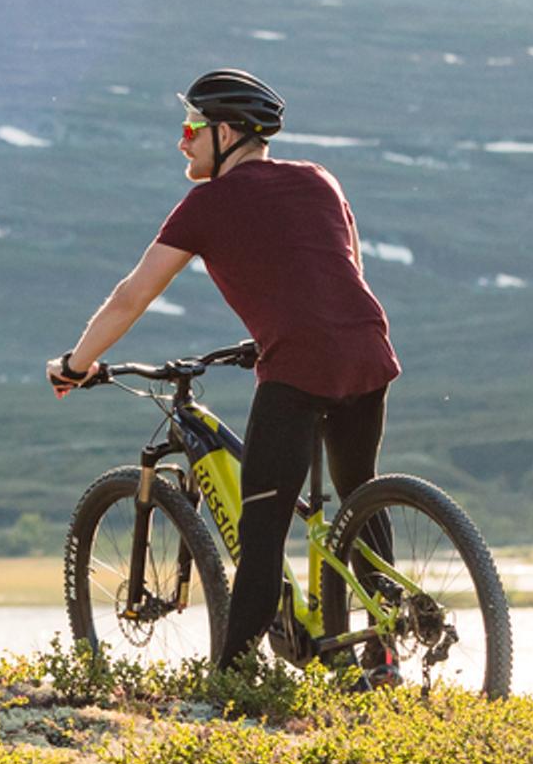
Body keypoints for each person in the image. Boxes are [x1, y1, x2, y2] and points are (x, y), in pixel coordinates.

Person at [47, 68, 400, 670]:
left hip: (299, 365)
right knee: (358, 490)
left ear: (227, 132)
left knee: (262, 529)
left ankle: (231, 679)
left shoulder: (206, 204)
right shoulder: (319, 179)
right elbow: (345, 271)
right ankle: (387, 639)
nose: (181, 140)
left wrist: (78, 364)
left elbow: (131, 296)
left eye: (191, 127)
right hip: (368, 346)